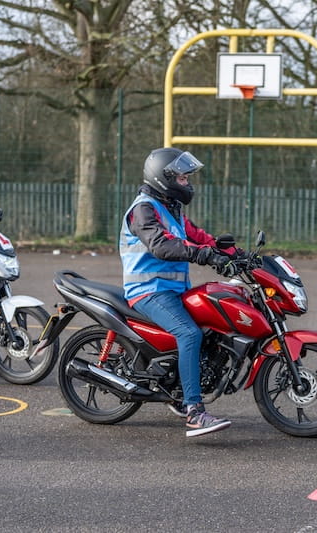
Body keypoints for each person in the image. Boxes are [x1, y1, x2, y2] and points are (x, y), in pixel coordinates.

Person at [119, 147, 238, 437]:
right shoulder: (143, 209)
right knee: (189, 334)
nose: (187, 183)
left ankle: (178, 389)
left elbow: (201, 238)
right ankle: (194, 412)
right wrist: (205, 256)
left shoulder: (171, 209)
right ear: (165, 178)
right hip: (148, 291)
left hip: (172, 290)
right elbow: (161, 245)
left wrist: (237, 255)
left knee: (211, 327)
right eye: (183, 178)